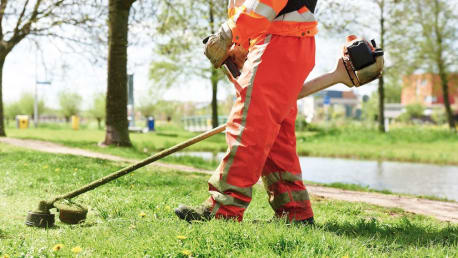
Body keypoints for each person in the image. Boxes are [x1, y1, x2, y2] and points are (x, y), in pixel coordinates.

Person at [175, 0, 318, 225]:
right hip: (285, 39)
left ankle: (223, 210)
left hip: (280, 39)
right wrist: (242, 44)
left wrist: (227, 34)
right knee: (275, 136)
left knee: (248, 127)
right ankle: (294, 211)